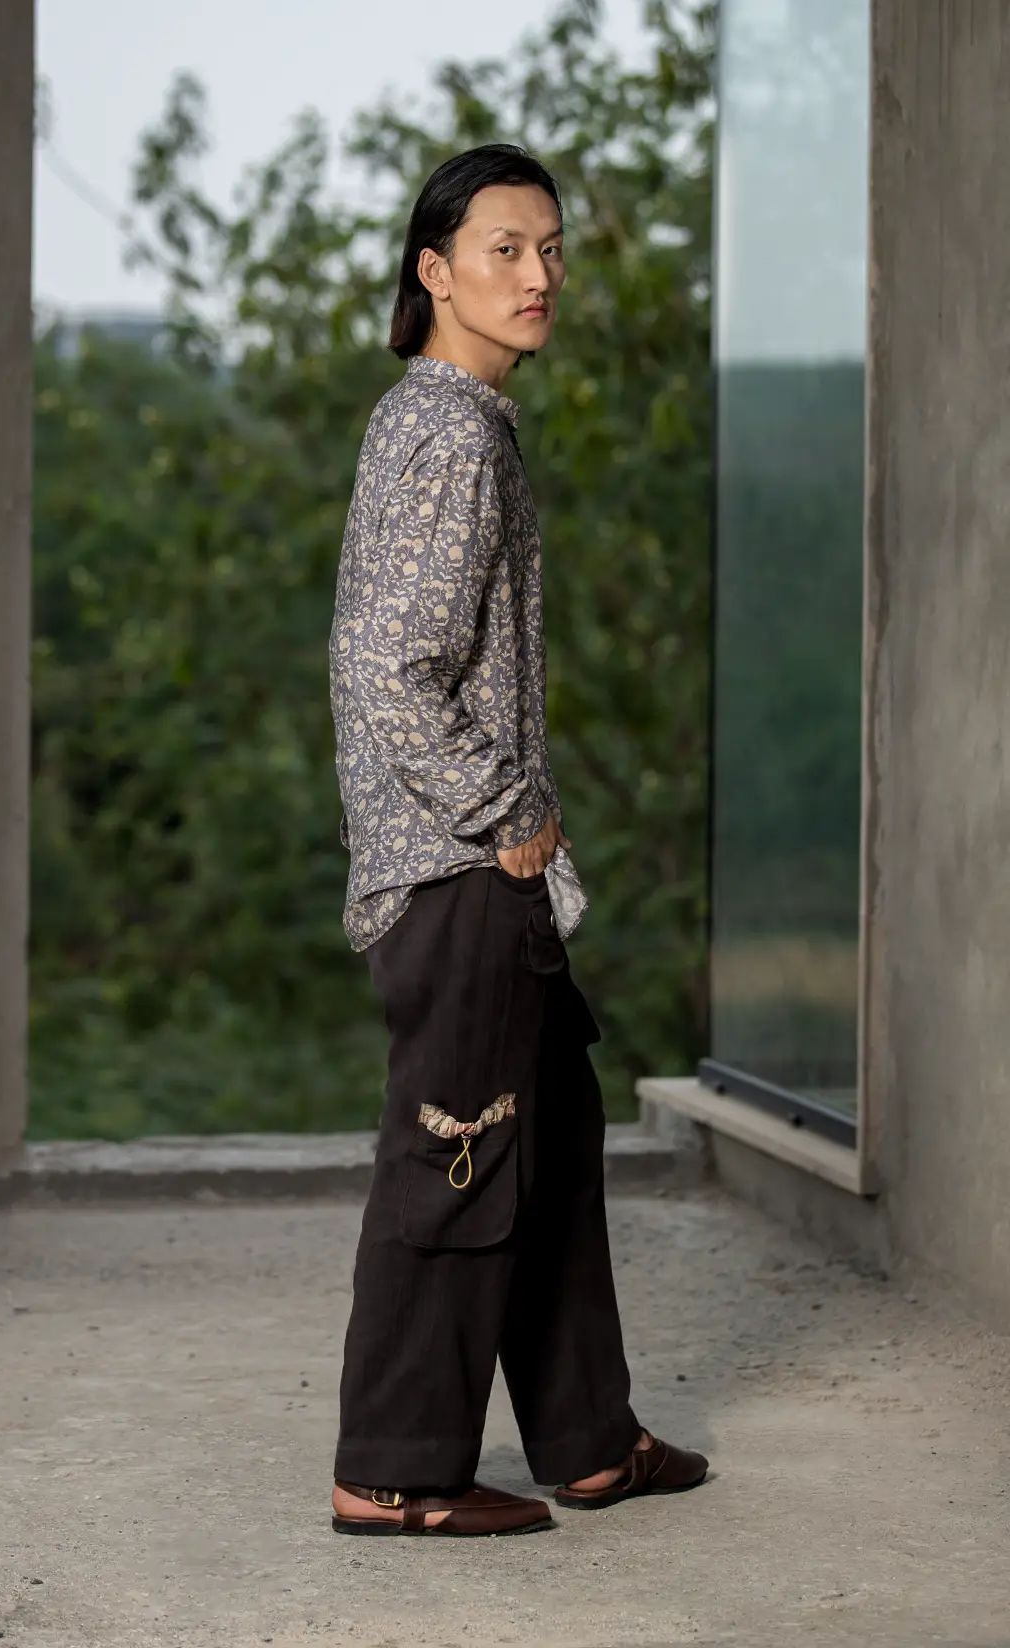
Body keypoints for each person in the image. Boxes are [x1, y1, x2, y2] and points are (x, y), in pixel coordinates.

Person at [327, 143, 707, 1538]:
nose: (538, 274)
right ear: (435, 270)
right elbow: (391, 673)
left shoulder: (446, 420)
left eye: (552, 249)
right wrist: (514, 814)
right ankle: (394, 1473)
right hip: (462, 872)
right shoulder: (449, 434)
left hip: (478, 872)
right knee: (461, 1155)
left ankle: (589, 1439)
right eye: (505, 248)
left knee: (550, 1133)